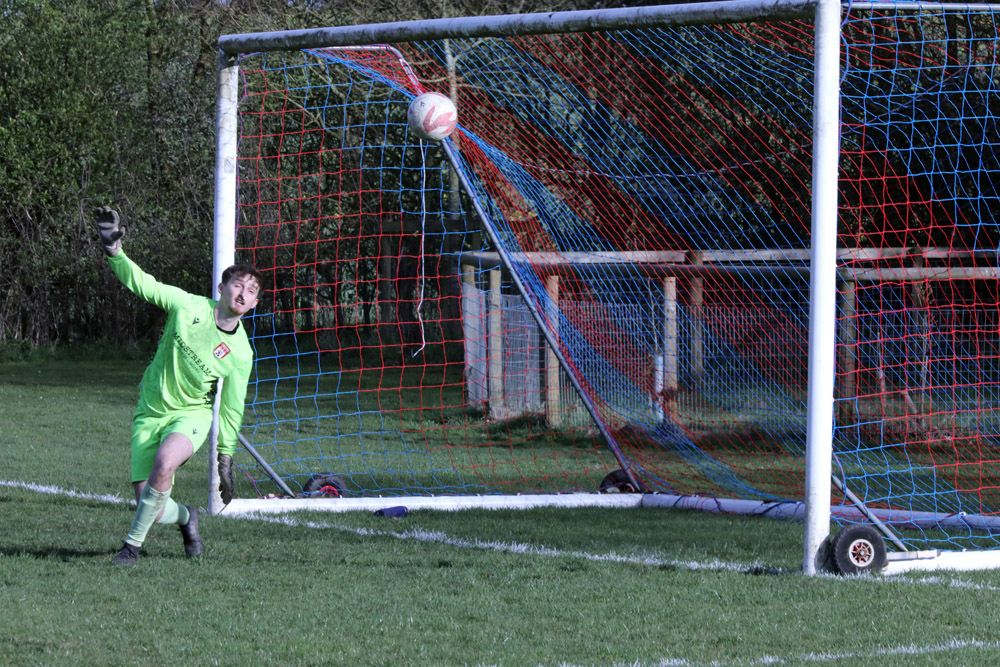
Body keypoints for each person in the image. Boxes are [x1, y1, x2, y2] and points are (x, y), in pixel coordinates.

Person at [95, 206, 262, 566]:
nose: (243, 293)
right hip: (150, 408)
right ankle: (187, 516)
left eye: (251, 291)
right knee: (152, 506)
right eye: (238, 285)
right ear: (222, 288)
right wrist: (114, 251)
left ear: (254, 303)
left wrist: (225, 458)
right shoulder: (187, 306)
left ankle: (130, 548)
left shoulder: (241, 353)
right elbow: (145, 284)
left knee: (165, 463)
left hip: (191, 415)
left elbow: (232, 407)